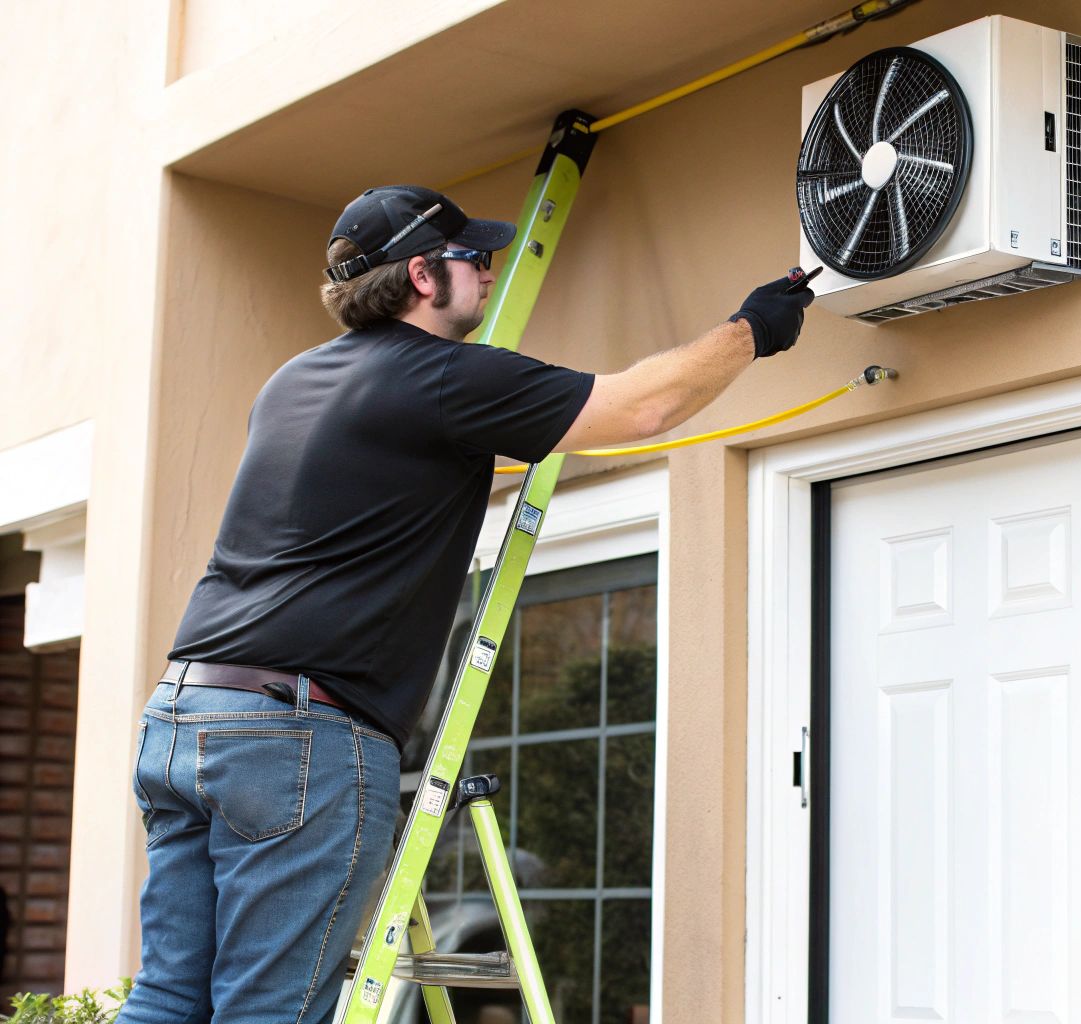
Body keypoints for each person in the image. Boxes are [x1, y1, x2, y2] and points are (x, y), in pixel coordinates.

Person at [117, 184, 813, 1024]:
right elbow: (644, 405)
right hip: (294, 736)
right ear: (420, 273)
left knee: (165, 999)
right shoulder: (440, 379)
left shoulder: (293, 381)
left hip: (185, 716)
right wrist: (754, 329)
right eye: (471, 259)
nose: (487, 273)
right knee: (265, 1011)